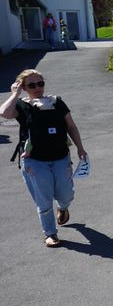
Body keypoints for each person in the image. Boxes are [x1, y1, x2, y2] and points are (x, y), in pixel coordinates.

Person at [1, 69, 87, 247]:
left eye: (40, 83)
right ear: (24, 88)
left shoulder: (56, 102)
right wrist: (15, 94)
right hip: (34, 161)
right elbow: (4, 113)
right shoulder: (21, 105)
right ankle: (50, 233)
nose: (37, 87)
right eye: (32, 85)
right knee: (43, 199)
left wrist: (80, 148)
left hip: (60, 157)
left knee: (67, 194)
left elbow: (71, 126)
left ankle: (63, 208)